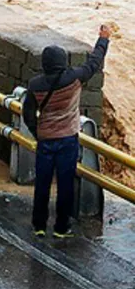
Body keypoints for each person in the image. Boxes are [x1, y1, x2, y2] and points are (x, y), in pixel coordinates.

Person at [23, 24, 110, 239]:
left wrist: (38, 133)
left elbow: (27, 114)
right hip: (68, 139)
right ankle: (61, 228)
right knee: (65, 184)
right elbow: (94, 62)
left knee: (42, 184)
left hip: (46, 140)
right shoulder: (74, 79)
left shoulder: (35, 85)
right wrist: (103, 39)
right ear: (63, 62)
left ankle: (39, 225)